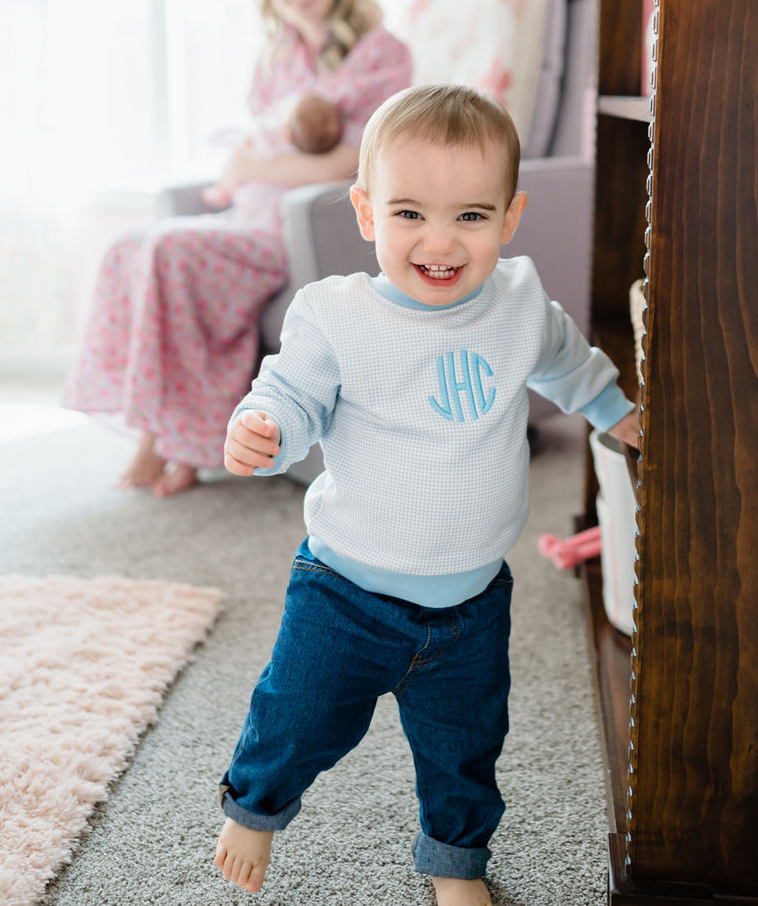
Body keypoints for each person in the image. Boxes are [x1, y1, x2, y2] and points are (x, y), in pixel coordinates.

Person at [214, 84, 641, 903]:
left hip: (473, 600)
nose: (439, 240)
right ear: (367, 212)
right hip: (347, 591)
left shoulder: (518, 302)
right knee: (297, 714)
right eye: (409, 213)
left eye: (470, 217)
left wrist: (615, 410)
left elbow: (566, 358)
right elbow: (292, 394)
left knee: (467, 745)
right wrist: (263, 425)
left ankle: (455, 862)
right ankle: (254, 808)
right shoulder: (337, 316)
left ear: (509, 217)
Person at [63, 0, 412, 498]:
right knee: (132, 244)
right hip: (246, 216)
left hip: (303, 226)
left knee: (172, 250)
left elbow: (355, 157)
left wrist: (250, 169)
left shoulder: (382, 53)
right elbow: (255, 140)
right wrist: (244, 171)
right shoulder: (275, 59)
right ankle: (157, 424)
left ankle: (175, 440)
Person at [201, 92, 344, 212]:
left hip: (251, 196)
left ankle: (221, 193)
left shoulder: (270, 137)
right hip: (275, 204)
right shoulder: (303, 158)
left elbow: (245, 140)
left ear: (288, 133)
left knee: (236, 171)